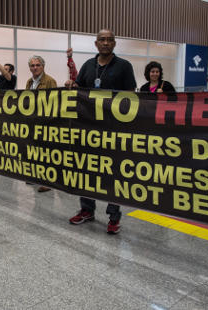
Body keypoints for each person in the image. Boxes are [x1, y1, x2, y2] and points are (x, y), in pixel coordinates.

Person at [65, 29, 137, 234]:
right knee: (86, 170)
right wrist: (72, 84)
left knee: (113, 173)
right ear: (96, 44)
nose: (105, 43)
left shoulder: (124, 66)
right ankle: (87, 210)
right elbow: (79, 89)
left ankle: (114, 216)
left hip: (113, 131)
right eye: (102, 40)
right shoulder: (88, 65)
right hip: (89, 130)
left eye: (109, 40)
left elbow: (131, 97)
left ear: (114, 43)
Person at [26, 55, 57, 193]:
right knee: (35, 151)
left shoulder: (50, 81)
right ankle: (36, 176)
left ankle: (48, 182)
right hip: (32, 121)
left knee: (46, 153)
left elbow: (55, 102)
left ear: (43, 66)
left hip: (45, 122)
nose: (35, 68)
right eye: (32, 66)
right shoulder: (29, 82)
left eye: (38, 65)